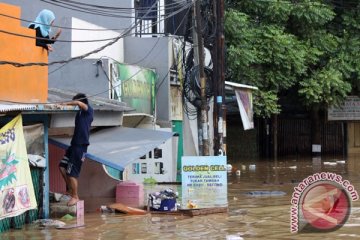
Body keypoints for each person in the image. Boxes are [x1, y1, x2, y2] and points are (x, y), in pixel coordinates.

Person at [59, 93, 93, 206]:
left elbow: (79, 103)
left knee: (72, 173)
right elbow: (78, 104)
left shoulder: (89, 110)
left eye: (76, 103)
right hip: (73, 145)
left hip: (80, 146)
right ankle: (69, 190)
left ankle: (75, 196)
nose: (76, 105)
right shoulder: (79, 113)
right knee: (62, 167)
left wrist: (64, 103)